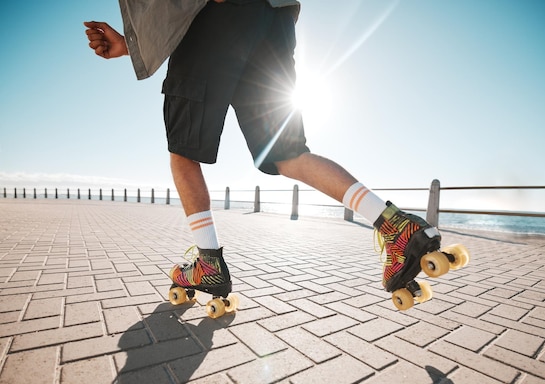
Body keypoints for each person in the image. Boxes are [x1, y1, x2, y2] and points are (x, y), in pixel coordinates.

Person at [84, 0, 443, 304]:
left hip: (214, 18)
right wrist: (134, 43)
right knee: (289, 154)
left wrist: (137, 42)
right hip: (274, 20)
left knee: (183, 152)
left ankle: (208, 263)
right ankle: (395, 225)